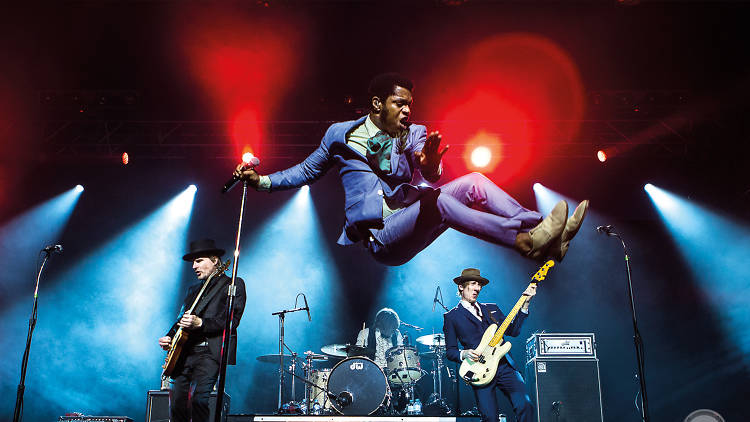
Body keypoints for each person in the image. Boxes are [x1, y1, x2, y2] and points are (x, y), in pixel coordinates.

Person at [235, 72, 588, 266]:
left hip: (408, 216)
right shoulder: (340, 134)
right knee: (438, 203)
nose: (407, 111)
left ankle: (545, 234)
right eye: (399, 103)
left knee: (475, 181)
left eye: (410, 105)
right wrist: (262, 181)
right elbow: (306, 171)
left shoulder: (414, 133)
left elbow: (431, 172)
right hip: (382, 237)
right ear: (377, 104)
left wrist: (430, 163)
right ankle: (523, 241)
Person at [158, 239, 247, 422]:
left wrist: (201, 323)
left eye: (199, 261)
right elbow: (181, 320)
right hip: (184, 353)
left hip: (209, 352)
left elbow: (231, 321)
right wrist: (169, 337)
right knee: (176, 404)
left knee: (199, 399)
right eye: (193, 262)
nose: (194, 266)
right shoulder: (193, 290)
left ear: (214, 260)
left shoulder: (233, 284)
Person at [443, 268, 536, 422]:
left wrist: (525, 305)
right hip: (479, 368)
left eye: (479, 285)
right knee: (490, 418)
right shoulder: (452, 316)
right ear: (461, 286)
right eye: (473, 284)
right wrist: (464, 353)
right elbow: (450, 351)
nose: (477, 288)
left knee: (525, 405)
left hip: (505, 365)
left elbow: (513, 331)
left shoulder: (491, 308)